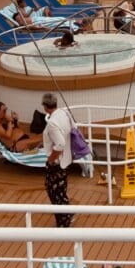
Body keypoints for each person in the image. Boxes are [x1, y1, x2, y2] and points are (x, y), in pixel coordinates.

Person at [41, 92, 74, 227]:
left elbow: (60, 144)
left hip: (57, 163)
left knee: (54, 192)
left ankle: (63, 221)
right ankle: (68, 214)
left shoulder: (52, 123)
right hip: (66, 160)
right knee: (61, 190)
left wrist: (50, 159)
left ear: (44, 106)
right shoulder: (64, 113)